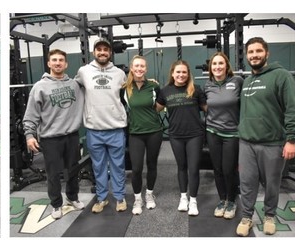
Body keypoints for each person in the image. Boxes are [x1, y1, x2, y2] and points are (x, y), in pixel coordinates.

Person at [236, 37, 295, 236]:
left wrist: (291, 139)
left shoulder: (281, 76)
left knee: (272, 183)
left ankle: (269, 216)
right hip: (246, 142)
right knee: (247, 183)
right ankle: (247, 216)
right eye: (250, 52)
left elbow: (293, 108)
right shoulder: (247, 81)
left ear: (267, 53)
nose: (254, 55)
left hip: (273, 142)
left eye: (258, 51)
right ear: (246, 56)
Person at [23, 49, 85, 219]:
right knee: (53, 174)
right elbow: (31, 115)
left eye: (61, 60)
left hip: (71, 135)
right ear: (49, 64)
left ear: (66, 64)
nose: (58, 63)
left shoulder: (75, 85)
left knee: (73, 170)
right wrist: (29, 135)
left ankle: (73, 197)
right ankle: (56, 204)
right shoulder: (39, 87)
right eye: (54, 60)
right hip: (50, 138)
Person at [75, 38, 128, 213]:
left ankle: (120, 198)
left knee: (118, 166)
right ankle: (102, 198)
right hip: (94, 129)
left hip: (115, 128)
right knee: (98, 167)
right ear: (94, 52)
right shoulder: (83, 72)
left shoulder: (119, 73)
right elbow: (73, 88)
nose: (102, 52)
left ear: (110, 53)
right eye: (99, 50)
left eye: (106, 49)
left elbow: (128, 92)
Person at [156, 60, 207, 216]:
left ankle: (193, 200)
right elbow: (156, 109)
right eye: (178, 72)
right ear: (172, 73)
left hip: (195, 135)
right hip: (176, 135)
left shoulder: (196, 90)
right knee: (181, 167)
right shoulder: (165, 91)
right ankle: (183, 197)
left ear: (188, 73)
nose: (181, 75)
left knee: (193, 168)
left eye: (184, 72)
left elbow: (208, 110)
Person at [203, 52, 243, 219]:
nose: (217, 67)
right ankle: (222, 199)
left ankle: (232, 200)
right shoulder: (207, 85)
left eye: (220, 63)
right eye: (214, 64)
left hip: (232, 134)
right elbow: (204, 105)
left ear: (227, 66)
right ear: (211, 68)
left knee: (228, 169)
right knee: (217, 169)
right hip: (212, 132)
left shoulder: (237, 81)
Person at [121, 55, 162, 215]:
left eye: (142, 66)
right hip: (135, 133)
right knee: (136, 168)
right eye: (136, 66)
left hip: (154, 132)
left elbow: (159, 105)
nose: (139, 69)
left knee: (152, 165)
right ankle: (138, 198)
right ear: (132, 68)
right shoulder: (124, 88)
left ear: (146, 69)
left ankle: (149, 195)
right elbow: (121, 106)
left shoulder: (153, 86)